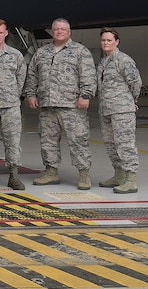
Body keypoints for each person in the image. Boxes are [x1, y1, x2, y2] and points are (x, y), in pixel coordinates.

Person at [24, 18, 97, 189]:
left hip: (72, 106)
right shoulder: (42, 52)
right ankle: (51, 172)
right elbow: (32, 75)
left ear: (69, 32)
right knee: (48, 140)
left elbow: (88, 75)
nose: (59, 31)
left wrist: (85, 95)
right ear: (52, 31)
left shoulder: (80, 51)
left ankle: (84, 174)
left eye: (63, 29)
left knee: (78, 140)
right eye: (56, 29)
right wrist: (31, 94)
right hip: (47, 105)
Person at [97, 27, 142, 194]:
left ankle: (131, 180)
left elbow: (135, 82)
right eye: (103, 40)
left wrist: (131, 101)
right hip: (106, 110)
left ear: (117, 42)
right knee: (111, 144)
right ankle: (118, 174)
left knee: (125, 144)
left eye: (109, 40)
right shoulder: (103, 62)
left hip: (122, 110)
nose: (106, 43)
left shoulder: (123, 60)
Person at [0, 19, 27, 190]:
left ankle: (14, 175)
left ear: (6, 33)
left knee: (13, 140)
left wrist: (13, 96)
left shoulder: (16, 55)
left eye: (1, 32)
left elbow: (20, 79)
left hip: (10, 106)